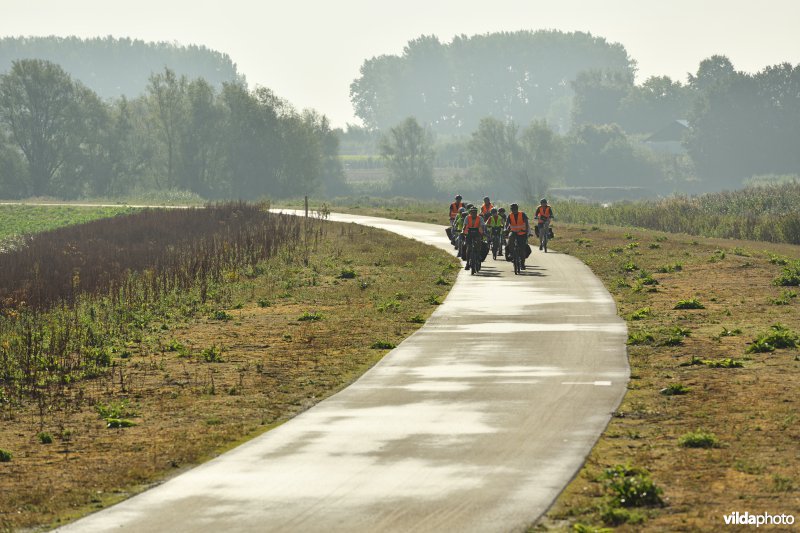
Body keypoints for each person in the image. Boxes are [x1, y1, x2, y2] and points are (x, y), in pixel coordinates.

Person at [505, 203, 530, 269]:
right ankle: (511, 254)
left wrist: (526, 230)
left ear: (517, 209)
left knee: (522, 249)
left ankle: (522, 263)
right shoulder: (510, 215)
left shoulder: (522, 214)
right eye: (512, 209)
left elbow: (526, 222)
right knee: (510, 241)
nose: (513, 210)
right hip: (513, 232)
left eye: (515, 209)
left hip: (522, 233)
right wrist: (506, 229)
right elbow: (507, 224)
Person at [461, 205, 486, 270]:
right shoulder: (467, 217)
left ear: (476, 212)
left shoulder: (480, 218)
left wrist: (483, 232)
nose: (473, 213)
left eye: (475, 212)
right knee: (468, 247)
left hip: (477, 233)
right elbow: (464, 225)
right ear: (470, 212)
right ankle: (467, 263)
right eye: (472, 212)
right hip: (469, 233)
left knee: (479, 243)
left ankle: (478, 255)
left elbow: (483, 226)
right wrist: (463, 231)